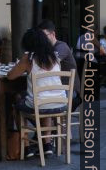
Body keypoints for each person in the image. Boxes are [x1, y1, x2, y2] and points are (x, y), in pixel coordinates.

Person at [7, 28, 67, 157]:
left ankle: (26, 146)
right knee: (44, 100)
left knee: (17, 101)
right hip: (60, 101)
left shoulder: (28, 58)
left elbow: (10, 76)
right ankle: (47, 145)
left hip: (39, 104)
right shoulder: (55, 57)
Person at [38, 19, 80, 110]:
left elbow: (48, 65)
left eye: (44, 36)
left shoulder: (61, 46)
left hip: (69, 91)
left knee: (37, 101)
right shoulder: (48, 49)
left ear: (53, 34)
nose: (42, 39)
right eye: (40, 37)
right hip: (55, 89)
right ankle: (46, 122)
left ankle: (47, 122)